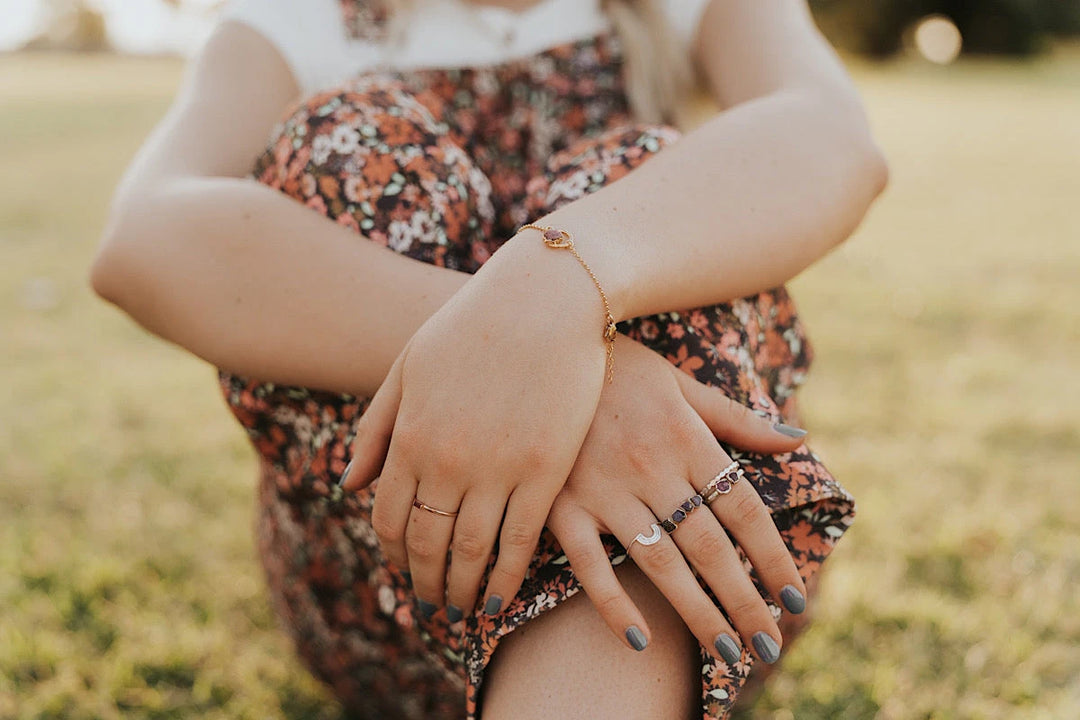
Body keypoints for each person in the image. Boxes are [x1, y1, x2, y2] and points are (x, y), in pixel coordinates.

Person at [90, 0, 888, 717]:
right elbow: (146, 237)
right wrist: (542, 361)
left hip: (699, 594)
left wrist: (569, 274)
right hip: (397, 598)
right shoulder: (298, 22)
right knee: (345, 143)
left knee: (646, 177)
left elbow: (832, 138)